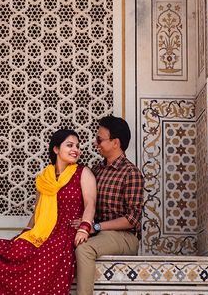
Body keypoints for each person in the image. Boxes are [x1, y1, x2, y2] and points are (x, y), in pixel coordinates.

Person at [0, 128, 97, 295]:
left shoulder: (82, 173)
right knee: (16, 251)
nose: (76, 150)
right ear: (56, 149)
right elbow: (37, 212)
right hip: (42, 232)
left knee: (45, 261)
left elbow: (90, 204)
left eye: (77, 145)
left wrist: (84, 228)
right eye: (69, 145)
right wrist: (24, 235)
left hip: (66, 234)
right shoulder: (44, 177)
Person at [72, 115, 144, 295]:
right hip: (99, 233)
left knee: (84, 249)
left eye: (100, 139)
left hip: (125, 237)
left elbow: (132, 219)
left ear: (115, 142)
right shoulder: (96, 170)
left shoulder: (131, 173)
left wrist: (95, 226)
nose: (96, 143)